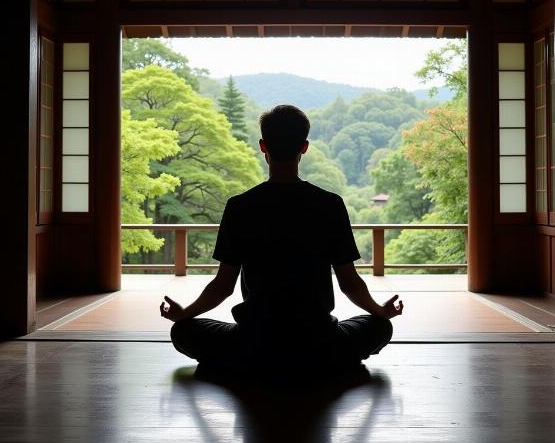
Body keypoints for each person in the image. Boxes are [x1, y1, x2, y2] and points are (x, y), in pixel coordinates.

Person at [160, 104, 403, 377]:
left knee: (183, 331)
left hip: (253, 341)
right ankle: (317, 363)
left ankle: (256, 363)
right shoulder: (329, 205)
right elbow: (350, 283)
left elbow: (222, 286)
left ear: (263, 146)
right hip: (319, 341)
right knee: (381, 326)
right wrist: (380, 310)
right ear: (305, 147)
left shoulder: (240, 206)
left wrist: (184, 313)